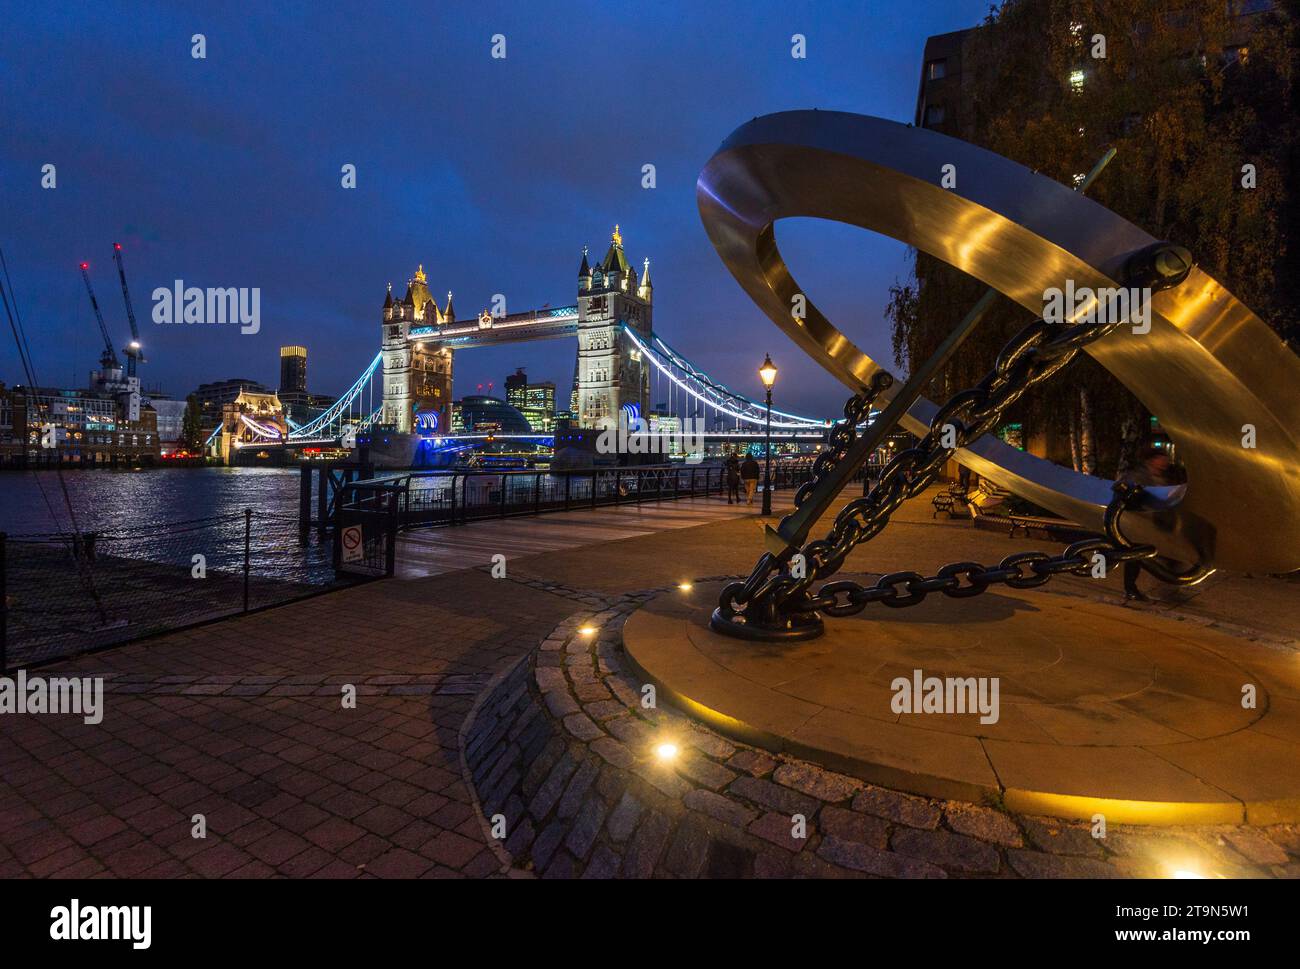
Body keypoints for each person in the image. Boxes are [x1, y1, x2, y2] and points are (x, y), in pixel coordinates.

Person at [1121, 446, 1175, 602]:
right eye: (1161, 458)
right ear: (1152, 460)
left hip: (1157, 522)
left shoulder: (1164, 477)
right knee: (1135, 556)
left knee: (1171, 555)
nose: (1165, 461)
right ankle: (1130, 589)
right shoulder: (1138, 476)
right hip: (1140, 522)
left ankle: (1170, 587)